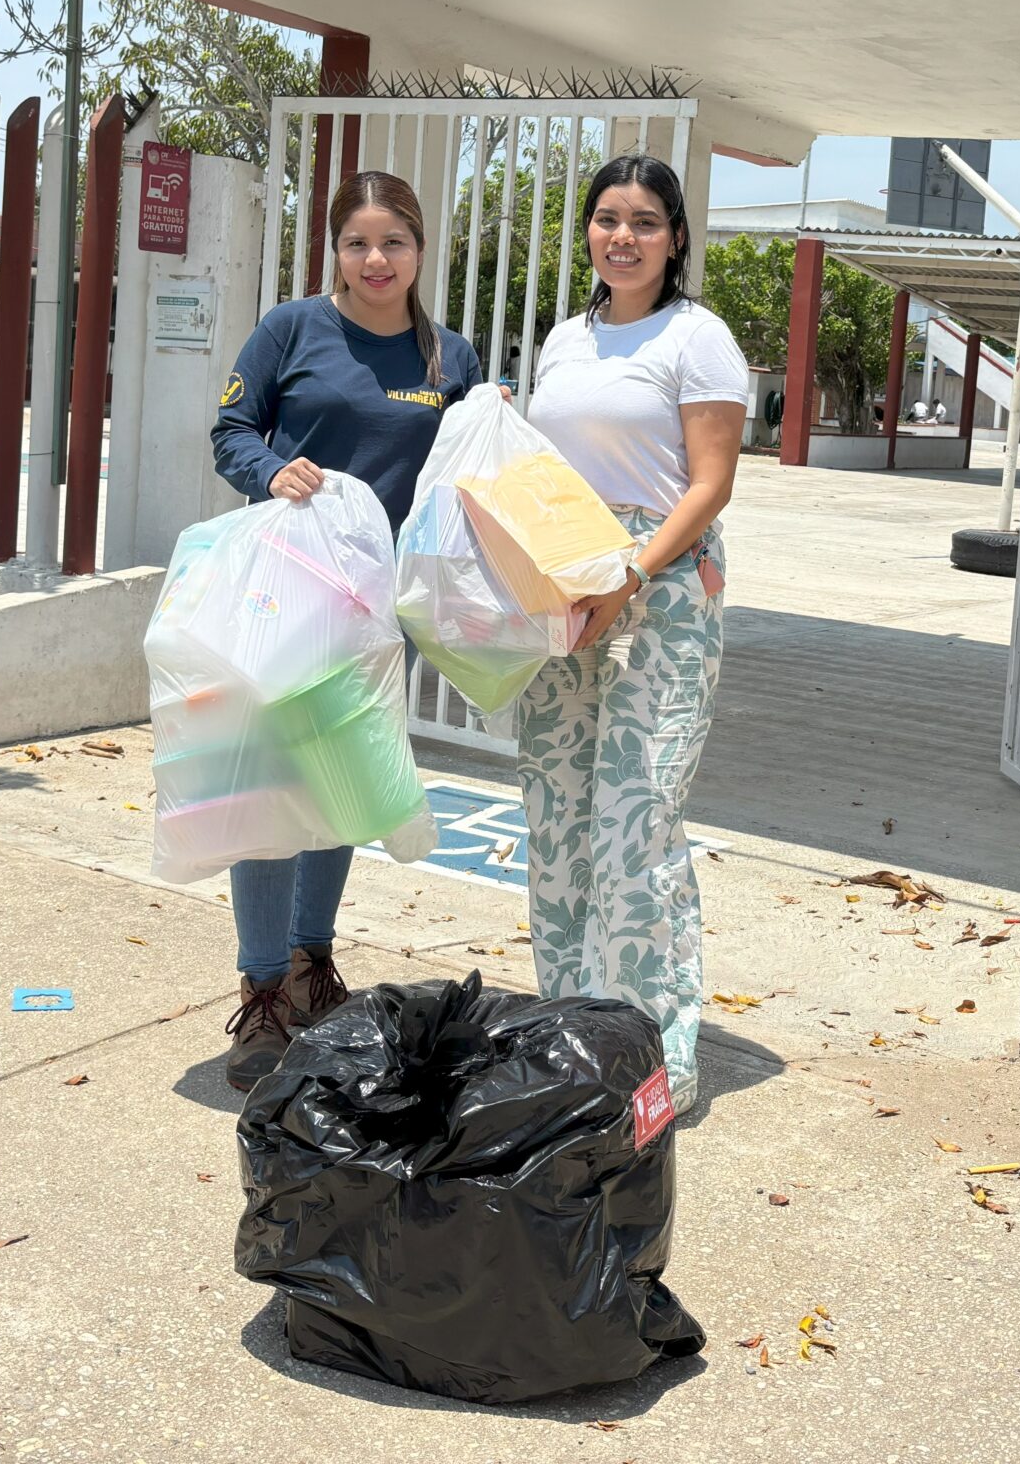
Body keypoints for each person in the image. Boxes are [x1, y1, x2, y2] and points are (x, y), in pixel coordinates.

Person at [207, 171, 482, 1092]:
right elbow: (231, 430)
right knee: (272, 787)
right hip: (288, 594)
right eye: (359, 243)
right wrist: (271, 471)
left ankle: (312, 968)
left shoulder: (450, 357)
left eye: (394, 243)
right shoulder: (291, 328)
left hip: (378, 610)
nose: (377, 260)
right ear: (335, 248)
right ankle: (262, 994)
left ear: (419, 252)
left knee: (339, 785)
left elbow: (470, 467)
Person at [517, 154, 747, 1115]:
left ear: (677, 236)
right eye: (607, 218)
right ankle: (571, 1030)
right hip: (563, 587)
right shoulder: (565, 339)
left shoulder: (698, 338)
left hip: (661, 591)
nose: (624, 236)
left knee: (636, 819)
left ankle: (658, 1054)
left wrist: (634, 575)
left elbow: (710, 481)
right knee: (558, 813)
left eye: (645, 221)